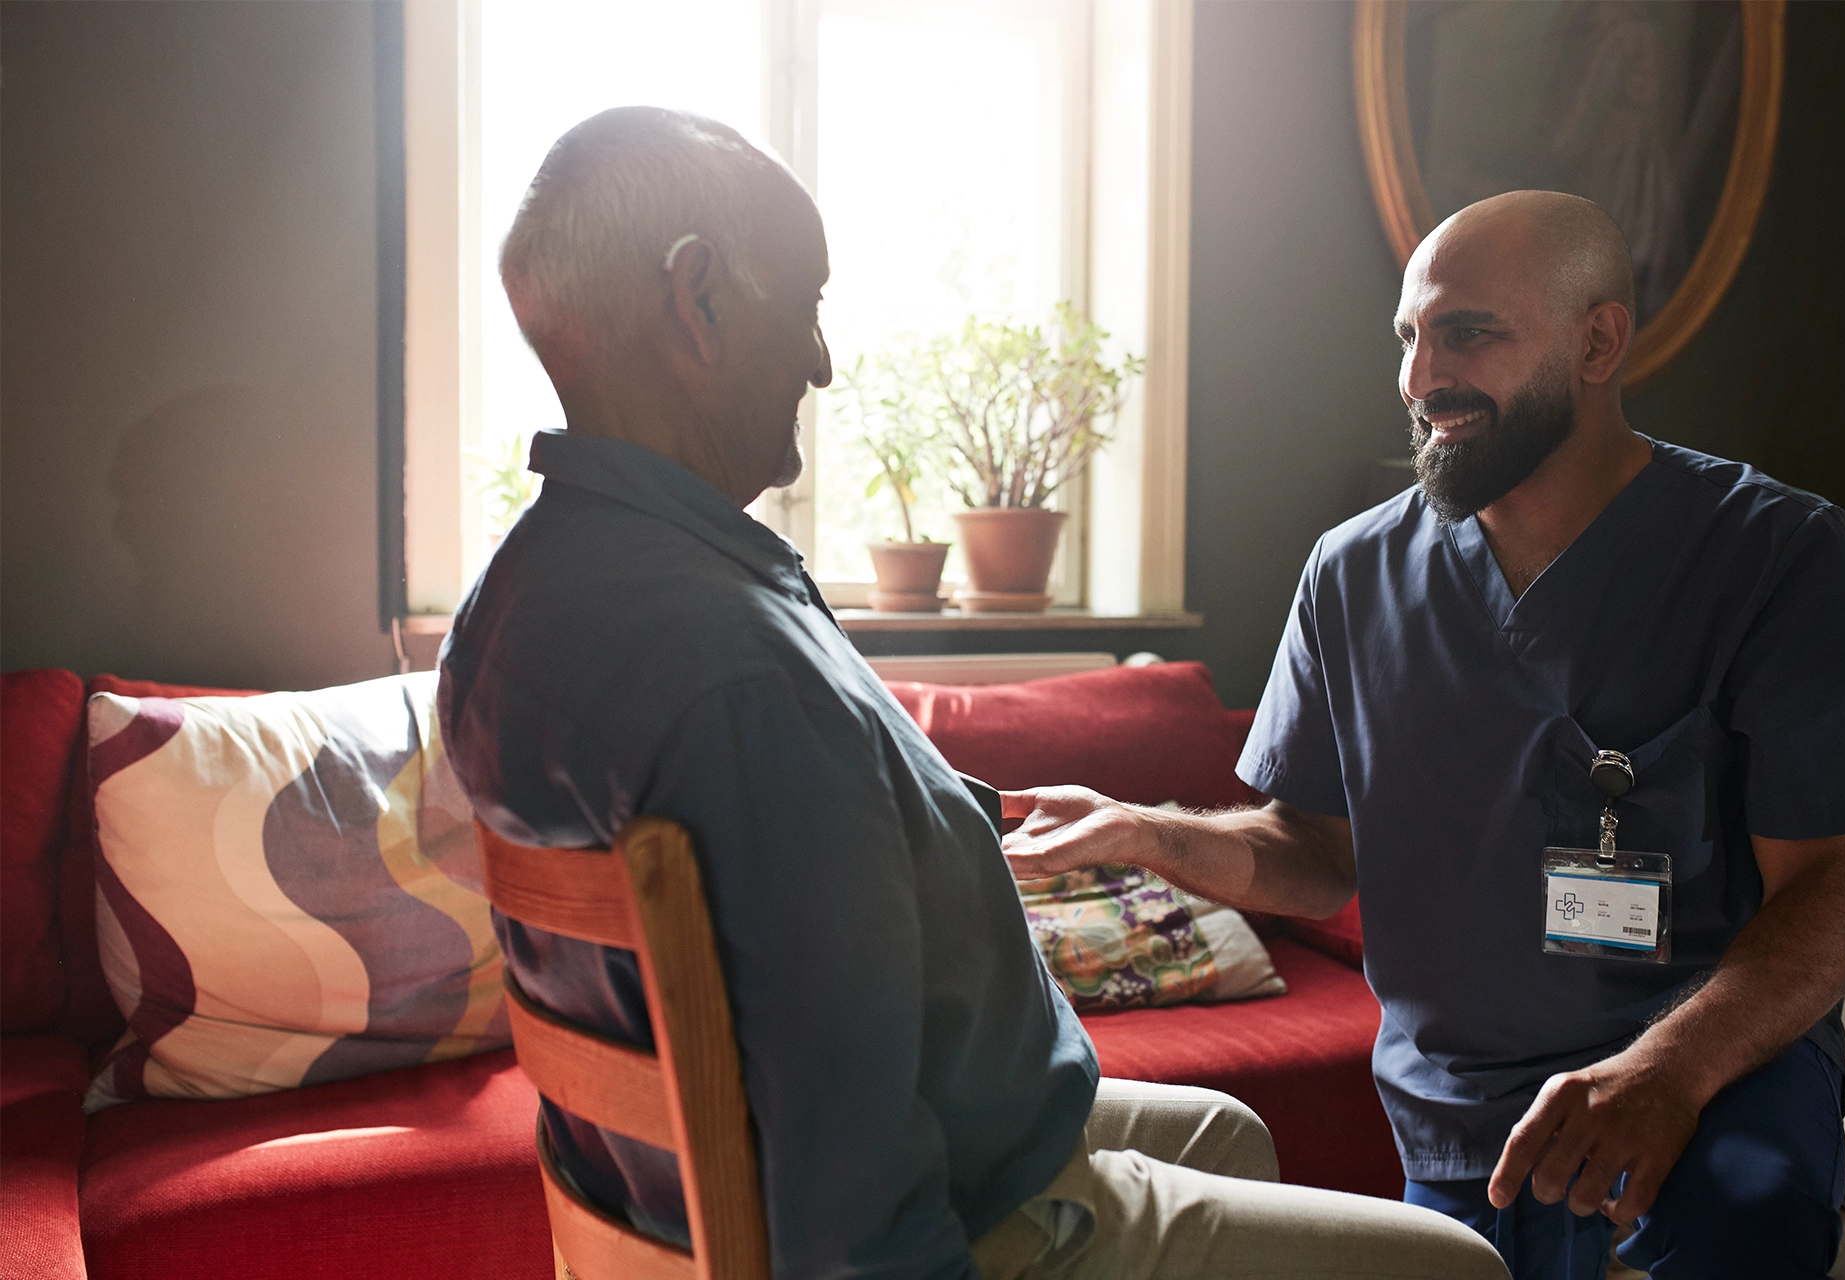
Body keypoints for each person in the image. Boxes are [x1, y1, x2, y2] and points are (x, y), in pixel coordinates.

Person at [437, 107, 1505, 1280]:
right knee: (1459, 1265)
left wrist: (963, 815)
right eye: (807, 305)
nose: (821, 359)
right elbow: (845, 1193)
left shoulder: (518, 600)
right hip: (934, 1210)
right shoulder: (738, 677)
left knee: (1229, 1130)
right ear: (696, 300)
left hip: (680, 1176)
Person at [1004, 189, 1845, 1278]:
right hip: (1465, 1118)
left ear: (1597, 340)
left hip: (1717, 1080)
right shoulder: (1352, 575)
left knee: (1743, 1224)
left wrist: (1669, 1069)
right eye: (1410, 335)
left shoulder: (1777, 556)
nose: (1420, 375)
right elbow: (1317, 853)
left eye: (1468, 331)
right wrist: (1151, 834)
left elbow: (1830, 889)